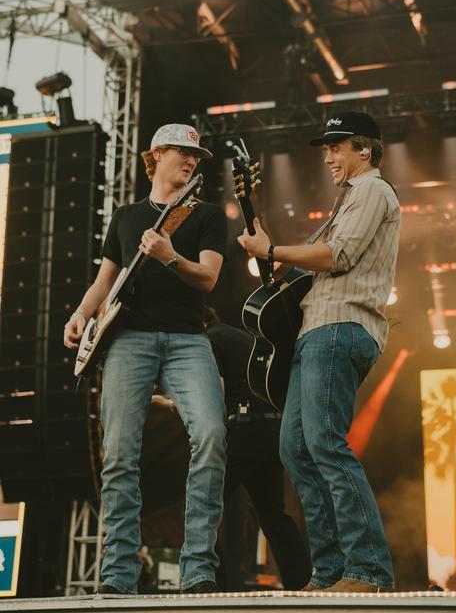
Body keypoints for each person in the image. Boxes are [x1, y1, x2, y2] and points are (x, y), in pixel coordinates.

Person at [238, 111, 400, 594]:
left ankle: (368, 570)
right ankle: (329, 572)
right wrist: (272, 254)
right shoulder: (347, 201)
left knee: (326, 444)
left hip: (341, 327)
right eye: (326, 148)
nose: (327, 157)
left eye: (336, 147)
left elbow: (340, 255)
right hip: (316, 330)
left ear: (364, 150)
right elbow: (306, 270)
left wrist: (272, 251)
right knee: (295, 450)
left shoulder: (373, 189)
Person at [64, 123, 227, 595]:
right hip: (128, 340)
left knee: (212, 435)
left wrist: (169, 256)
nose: (192, 160)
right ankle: (118, 574)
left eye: (197, 155)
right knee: (118, 454)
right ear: (156, 155)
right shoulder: (125, 216)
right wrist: (80, 314)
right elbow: (105, 280)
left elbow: (208, 278)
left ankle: (198, 569)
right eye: (183, 152)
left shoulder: (208, 215)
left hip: (187, 340)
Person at [205, 309, 312, 591]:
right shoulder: (240, 337)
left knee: (204, 500)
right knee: (273, 515)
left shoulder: (209, 339)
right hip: (272, 428)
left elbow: (213, 394)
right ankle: (301, 583)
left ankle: (211, 584)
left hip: (245, 427)